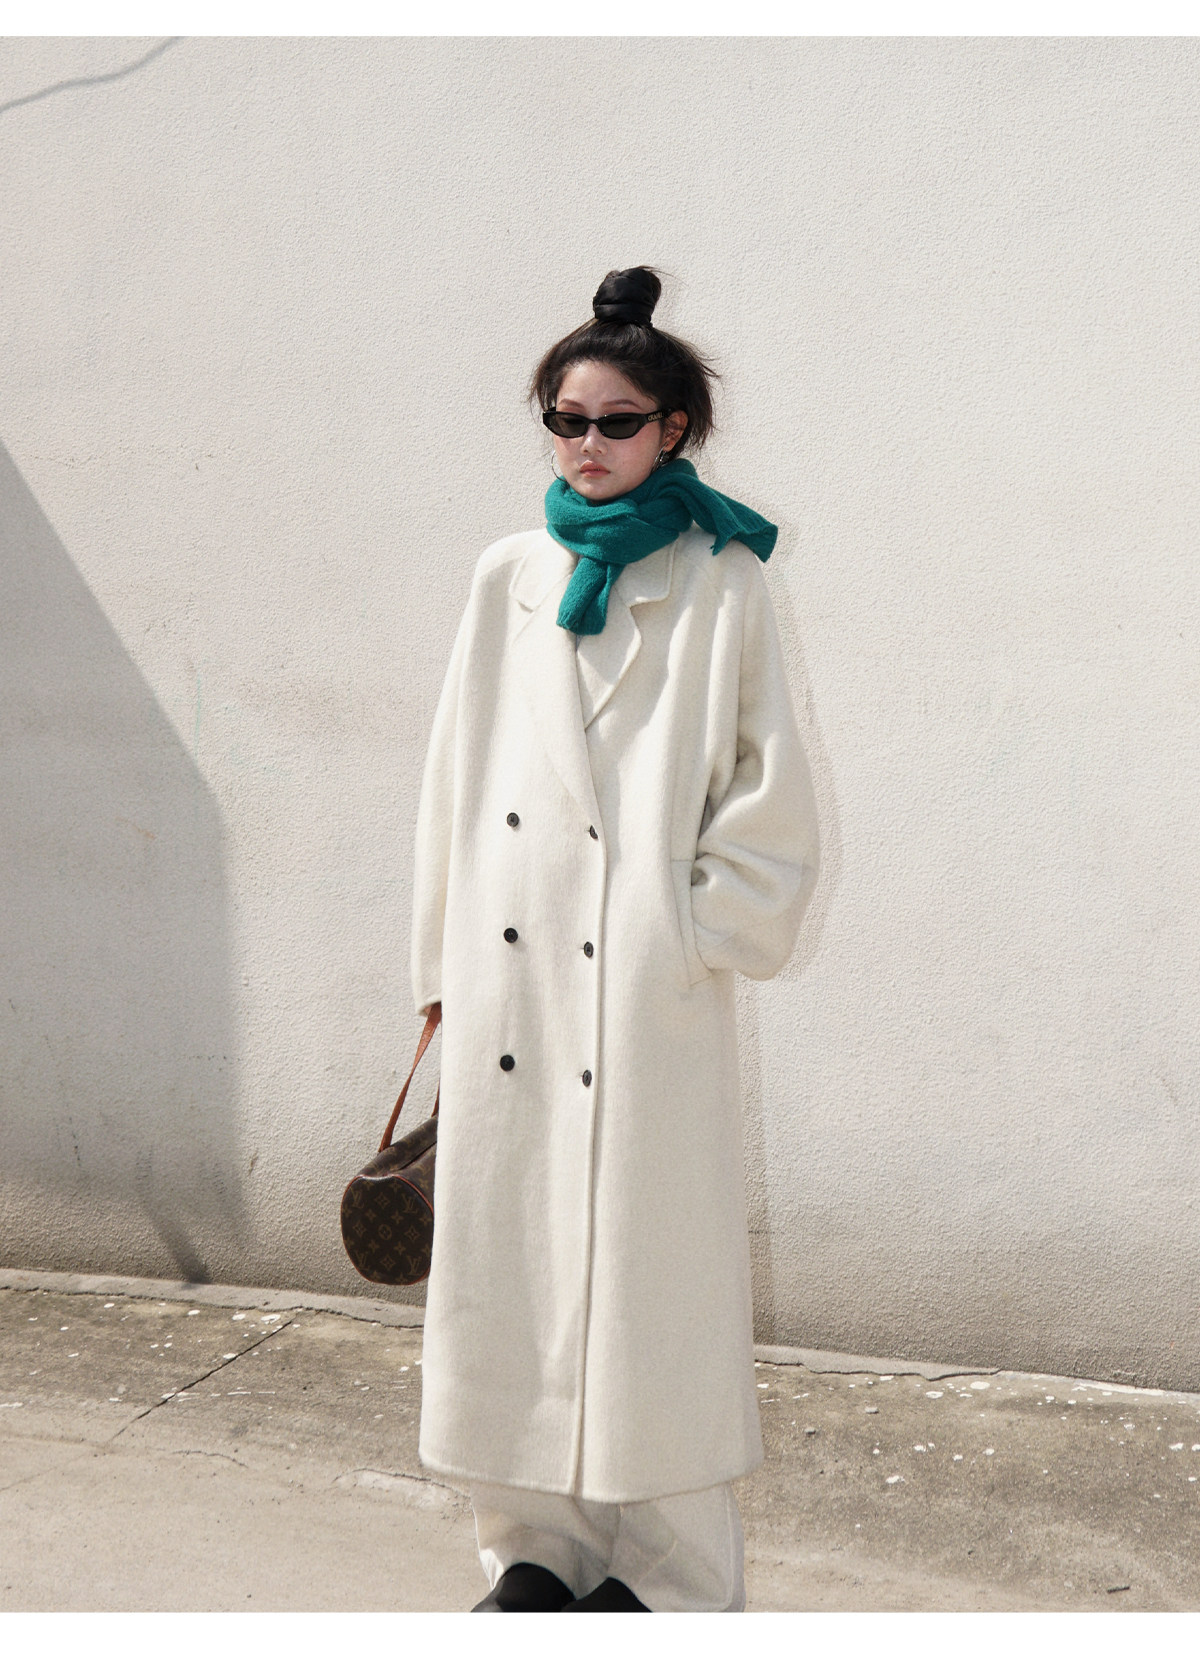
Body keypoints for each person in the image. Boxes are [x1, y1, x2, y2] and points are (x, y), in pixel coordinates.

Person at [409, 266, 820, 1612]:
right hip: (515, 984)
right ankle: (533, 1550)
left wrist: (688, 932)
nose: (587, 445)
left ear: (674, 430)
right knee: (513, 1269)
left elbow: (771, 790)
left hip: (646, 994)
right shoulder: (509, 575)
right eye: (566, 420)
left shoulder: (722, 580)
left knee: (654, 1288)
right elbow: (456, 774)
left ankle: (672, 1578)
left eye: (617, 422)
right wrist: (442, 968)